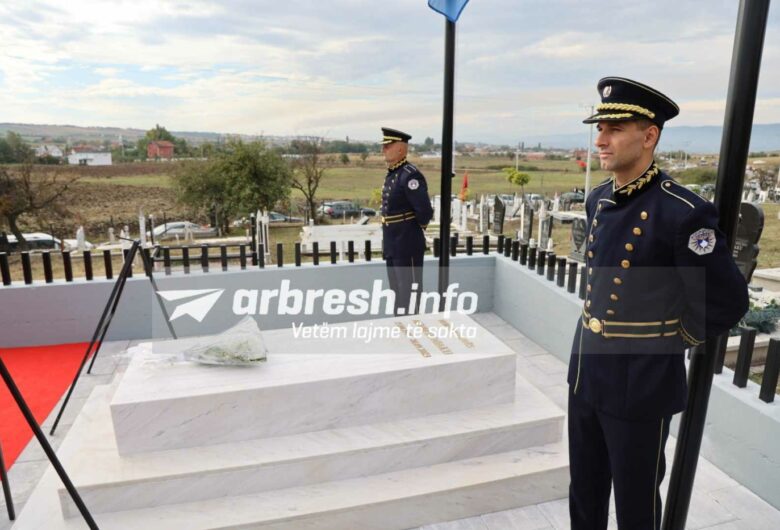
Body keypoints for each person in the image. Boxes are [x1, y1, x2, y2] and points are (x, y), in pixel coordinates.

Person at [568, 77, 748, 530]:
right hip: (587, 370)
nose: (601, 140)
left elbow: (726, 300)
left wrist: (671, 341)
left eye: (615, 129)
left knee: (636, 506)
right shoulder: (598, 199)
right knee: (584, 494)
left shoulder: (682, 212)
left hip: (641, 381)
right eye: (599, 129)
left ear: (649, 136)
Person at [380, 127, 433, 315]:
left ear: (401, 149)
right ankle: (400, 325)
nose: (384, 149)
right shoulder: (393, 173)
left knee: (409, 291)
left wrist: (413, 230)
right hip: (393, 242)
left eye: (388, 146)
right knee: (396, 291)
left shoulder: (410, 175)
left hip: (406, 242)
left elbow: (424, 210)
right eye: (384, 146)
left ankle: (413, 326)